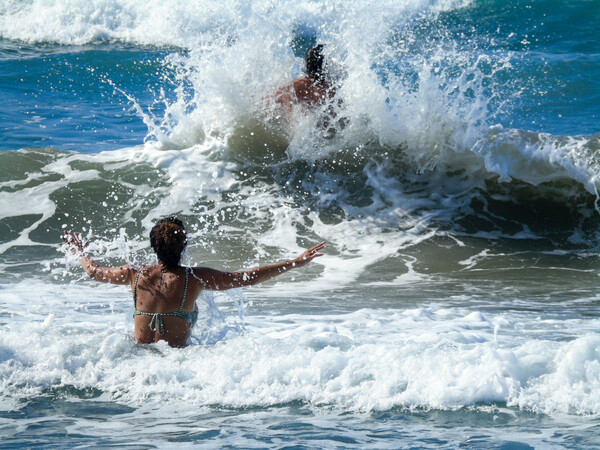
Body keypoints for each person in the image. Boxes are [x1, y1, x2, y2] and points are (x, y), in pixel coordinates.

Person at [62, 217, 325, 348]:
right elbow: (246, 278)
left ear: (153, 246)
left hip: (136, 360)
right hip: (177, 366)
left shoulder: (135, 274)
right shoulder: (194, 277)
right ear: (183, 245)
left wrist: (81, 252)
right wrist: (296, 262)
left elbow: (94, 272)